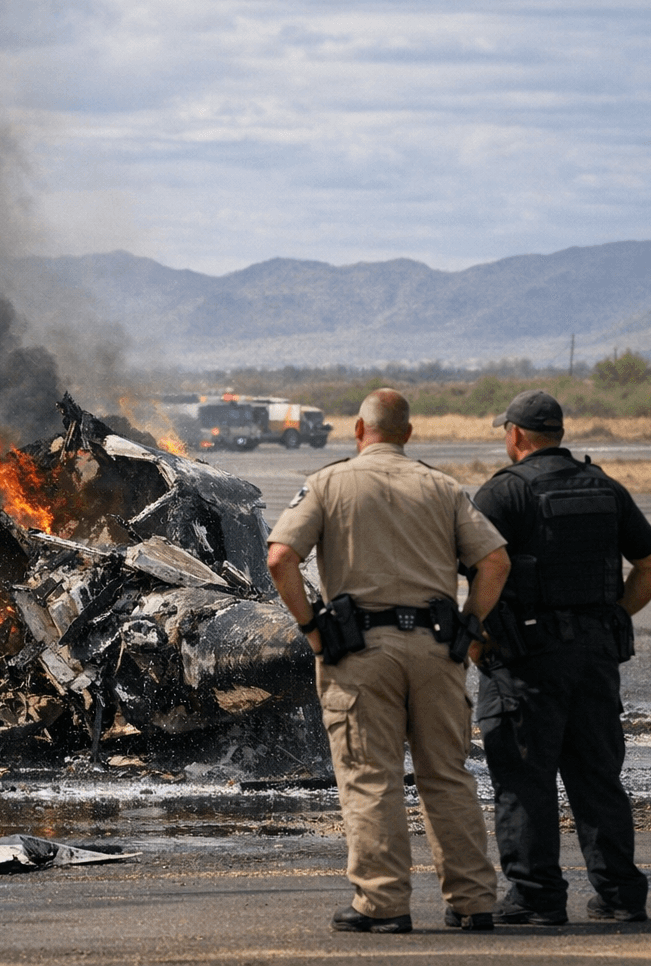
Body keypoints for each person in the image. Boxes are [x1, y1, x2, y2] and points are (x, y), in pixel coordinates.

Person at [266, 388, 510, 933]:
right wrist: (470, 625)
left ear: (358, 430)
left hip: (360, 652)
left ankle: (382, 904)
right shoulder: (443, 487)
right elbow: (494, 561)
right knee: (447, 775)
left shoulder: (329, 483)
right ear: (408, 433)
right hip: (437, 649)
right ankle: (473, 901)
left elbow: (280, 557)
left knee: (371, 777)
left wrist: (312, 629)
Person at [474, 390, 651, 925]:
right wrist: (615, 616)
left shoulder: (503, 494)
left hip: (527, 662)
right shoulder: (605, 487)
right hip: (594, 657)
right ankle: (620, 895)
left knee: (524, 777)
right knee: (598, 776)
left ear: (515, 435)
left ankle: (537, 896)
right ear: (557, 434)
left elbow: (477, 567)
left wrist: (473, 635)